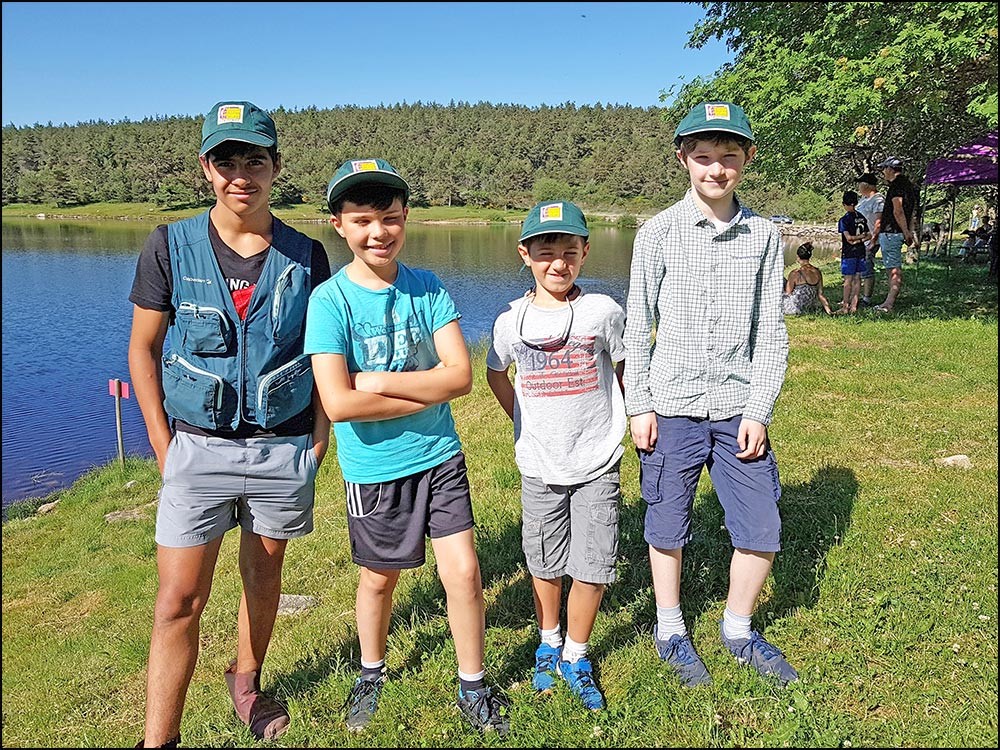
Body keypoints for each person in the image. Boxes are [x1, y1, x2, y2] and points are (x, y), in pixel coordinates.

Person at [128, 100, 332, 748]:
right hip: (196, 449)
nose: (240, 175)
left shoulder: (307, 255)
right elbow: (143, 349)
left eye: (254, 160)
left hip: (282, 448)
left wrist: (318, 438)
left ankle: (246, 683)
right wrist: (162, 443)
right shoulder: (168, 245)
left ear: (276, 166)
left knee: (263, 577)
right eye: (226, 161)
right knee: (178, 601)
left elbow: (326, 351)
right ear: (206, 168)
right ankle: (159, 739)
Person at [304, 158, 510, 736]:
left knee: (464, 574)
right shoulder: (330, 302)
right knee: (378, 579)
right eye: (363, 220)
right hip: (374, 468)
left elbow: (461, 378)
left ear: (406, 217)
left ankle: (473, 685)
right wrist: (422, 390)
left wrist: (375, 381)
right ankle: (371, 673)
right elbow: (338, 404)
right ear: (338, 225)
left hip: (440, 456)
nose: (379, 232)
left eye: (390, 217)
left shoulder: (428, 287)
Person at [623, 101, 797, 688]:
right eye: (703, 156)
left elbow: (770, 331)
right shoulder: (656, 233)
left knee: (762, 526)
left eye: (728, 156)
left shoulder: (765, 236)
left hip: (737, 408)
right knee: (666, 523)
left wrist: (759, 410)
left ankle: (738, 628)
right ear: (683, 159)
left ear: (747, 158)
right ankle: (671, 628)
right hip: (670, 405)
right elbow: (638, 327)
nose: (715, 168)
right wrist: (639, 404)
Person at [485, 201, 626, 711]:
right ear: (525, 255)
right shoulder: (510, 321)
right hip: (539, 463)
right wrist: (522, 419)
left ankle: (576, 653)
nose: (558, 263)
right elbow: (496, 372)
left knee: (594, 562)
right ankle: (548, 639)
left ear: (585, 252)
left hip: (597, 459)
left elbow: (625, 366)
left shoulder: (603, 311)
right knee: (544, 559)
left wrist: (632, 415)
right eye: (546, 253)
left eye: (569, 251)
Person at [873, 156, 916, 312]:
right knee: (892, 267)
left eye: (884, 169)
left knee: (893, 269)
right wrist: (909, 231)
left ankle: (888, 304)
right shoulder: (909, 186)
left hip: (891, 232)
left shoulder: (897, 186)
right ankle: (888, 300)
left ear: (890, 169)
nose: (883, 172)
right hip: (896, 232)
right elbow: (912, 213)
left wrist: (906, 231)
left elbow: (898, 211)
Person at [835, 190, 870, 314]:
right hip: (861, 251)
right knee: (857, 279)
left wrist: (855, 240)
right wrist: (860, 239)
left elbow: (848, 238)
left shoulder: (844, 220)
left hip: (849, 253)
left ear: (844, 204)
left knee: (848, 280)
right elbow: (869, 235)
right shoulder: (861, 217)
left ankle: (845, 306)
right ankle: (854, 306)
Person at [855, 173, 884, 305]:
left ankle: (867, 298)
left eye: (859, 183)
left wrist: (873, 240)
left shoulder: (878, 200)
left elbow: (878, 222)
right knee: (857, 269)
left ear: (866, 185)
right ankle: (855, 296)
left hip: (869, 240)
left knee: (867, 268)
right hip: (859, 240)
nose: (858, 186)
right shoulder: (863, 199)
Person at [782, 242, 832, 315]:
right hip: (808, 307)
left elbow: (788, 293)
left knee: (781, 279)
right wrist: (829, 311)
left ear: (798, 257)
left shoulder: (795, 273)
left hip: (793, 308)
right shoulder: (817, 272)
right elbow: (820, 294)